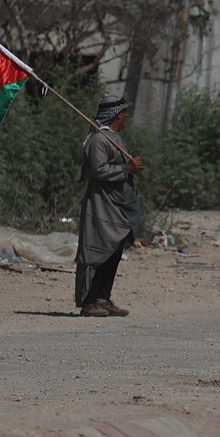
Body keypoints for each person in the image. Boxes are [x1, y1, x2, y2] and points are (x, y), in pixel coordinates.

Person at [75, 95, 145, 317]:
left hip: (118, 206)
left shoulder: (114, 138)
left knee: (114, 251)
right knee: (98, 252)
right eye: (125, 112)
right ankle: (89, 302)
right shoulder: (99, 140)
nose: (127, 117)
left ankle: (103, 298)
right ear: (117, 115)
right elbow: (97, 170)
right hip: (102, 205)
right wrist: (127, 170)